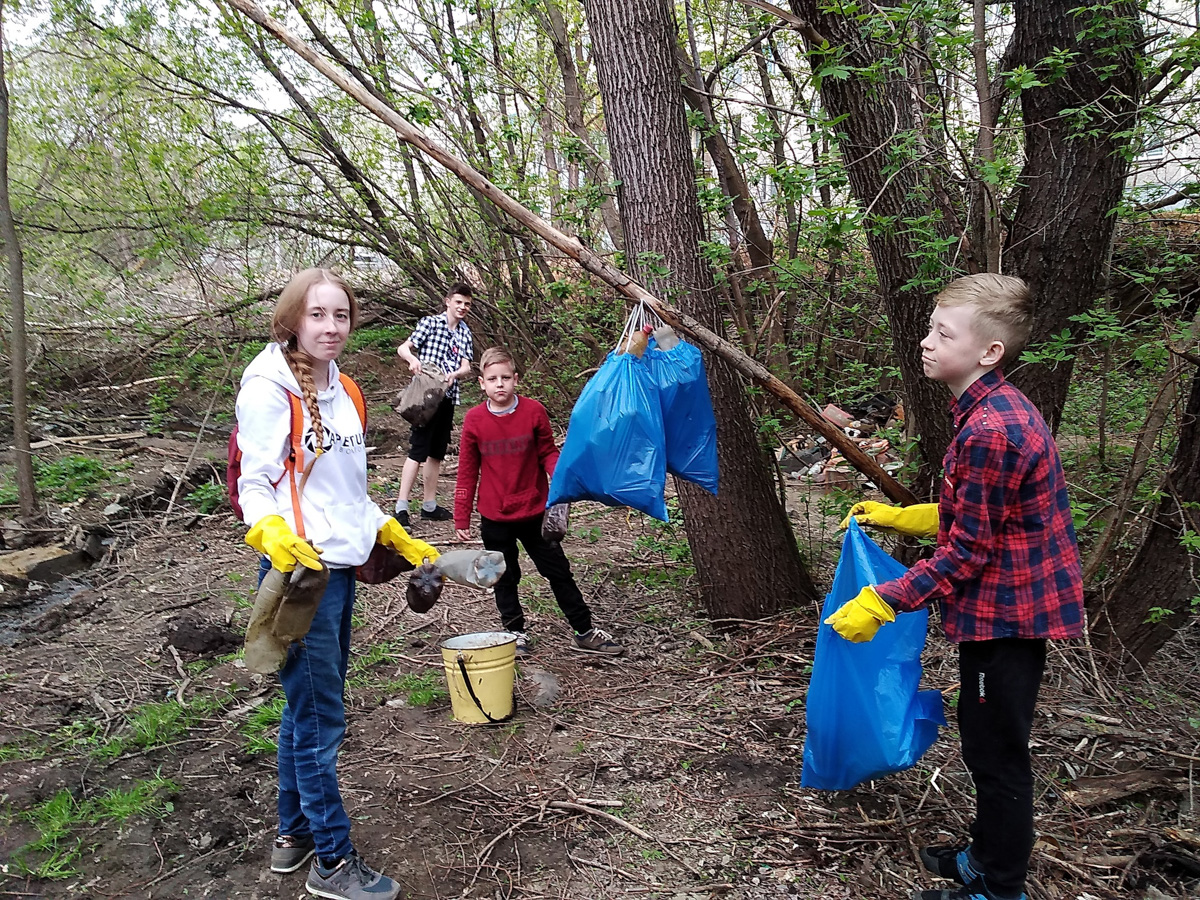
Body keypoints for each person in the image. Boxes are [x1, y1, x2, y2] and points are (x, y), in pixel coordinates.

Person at [827, 274, 1083, 900]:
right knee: (983, 740)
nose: (926, 342)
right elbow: (982, 515)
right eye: (931, 329)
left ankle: (1000, 888)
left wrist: (882, 601)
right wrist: (904, 515)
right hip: (997, 612)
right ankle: (983, 857)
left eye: (944, 333)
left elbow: (969, 551)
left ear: (988, 351)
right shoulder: (989, 410)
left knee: (997, 759)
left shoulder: (991, 429)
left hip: (1008, 616)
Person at [236, 268, 439, 900]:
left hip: (341, 569)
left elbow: (344, 492)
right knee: (321, 719)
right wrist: (268, 531)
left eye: (341, 316)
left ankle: (293, 833)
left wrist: (390, 529)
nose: (331, 327)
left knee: (306, 709)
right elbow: (255, 480)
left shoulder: (345, 388)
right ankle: (332, 860)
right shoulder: (269, 388)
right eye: (318, 315)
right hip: (300, 575)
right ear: (293, 318)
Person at [453, 347, 624, 657]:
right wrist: (461, 517)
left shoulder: (533, 412)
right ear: (482, 383)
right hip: (495, 516)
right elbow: (467, 471)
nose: (500, 384)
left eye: (506, 377)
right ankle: (514, 632)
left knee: (558, 570)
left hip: (535, 511)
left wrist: (560, 480)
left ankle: (584, 630)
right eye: (493, 379)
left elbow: (547, 451)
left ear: (516, 379)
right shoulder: (475, 420)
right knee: (503, 576)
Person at [394, 283, 475, 526]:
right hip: (426, 397)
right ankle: (401, 506)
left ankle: (429, 505)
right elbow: (404, 348)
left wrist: (455, 375)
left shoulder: (464, 333)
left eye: (467, 304)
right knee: (417, 450)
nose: (462, 307)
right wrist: (412, 360)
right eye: (458, 302)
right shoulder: (430, 323)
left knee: (437, 452)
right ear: (448, 301)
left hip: (448, 397)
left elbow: (466, 366)